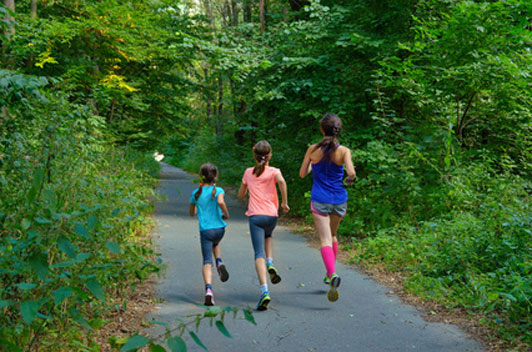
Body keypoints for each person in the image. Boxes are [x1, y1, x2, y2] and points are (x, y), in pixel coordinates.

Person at [299, 113, 356, 302]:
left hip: (320, 199)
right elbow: (351, 173)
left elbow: (302, 173)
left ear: (322, 129)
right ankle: (329, 272)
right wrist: (348, 178)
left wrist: (312, 165)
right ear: (338, 130)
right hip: (339, 199)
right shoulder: (344, 151)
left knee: (324, 240)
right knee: (332, 236)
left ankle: (332, 274)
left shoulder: (312, 149)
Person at [238, 141, 289, 311]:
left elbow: (240, 194)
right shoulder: (274, 171)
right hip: (271, 216)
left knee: (257, 252)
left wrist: (246, 192)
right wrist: (284, 203)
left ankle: (264, 291)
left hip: (255, 216)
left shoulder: (248, 172)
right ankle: (270, 262)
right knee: (269, 235)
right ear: (270, 155)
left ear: (254, 156)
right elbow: (281, 182)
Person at [189, 163, 230, 306]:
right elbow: (220, 201)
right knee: (216, 243)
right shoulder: (218, 190)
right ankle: (219, 261)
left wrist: (198, 210)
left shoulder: (195, 193)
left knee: (207, 261)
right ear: (215, 176)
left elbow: (191, 213)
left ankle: (209, 291)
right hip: (220, 230)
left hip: (205, 231)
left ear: (201, 176)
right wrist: (226, 213)